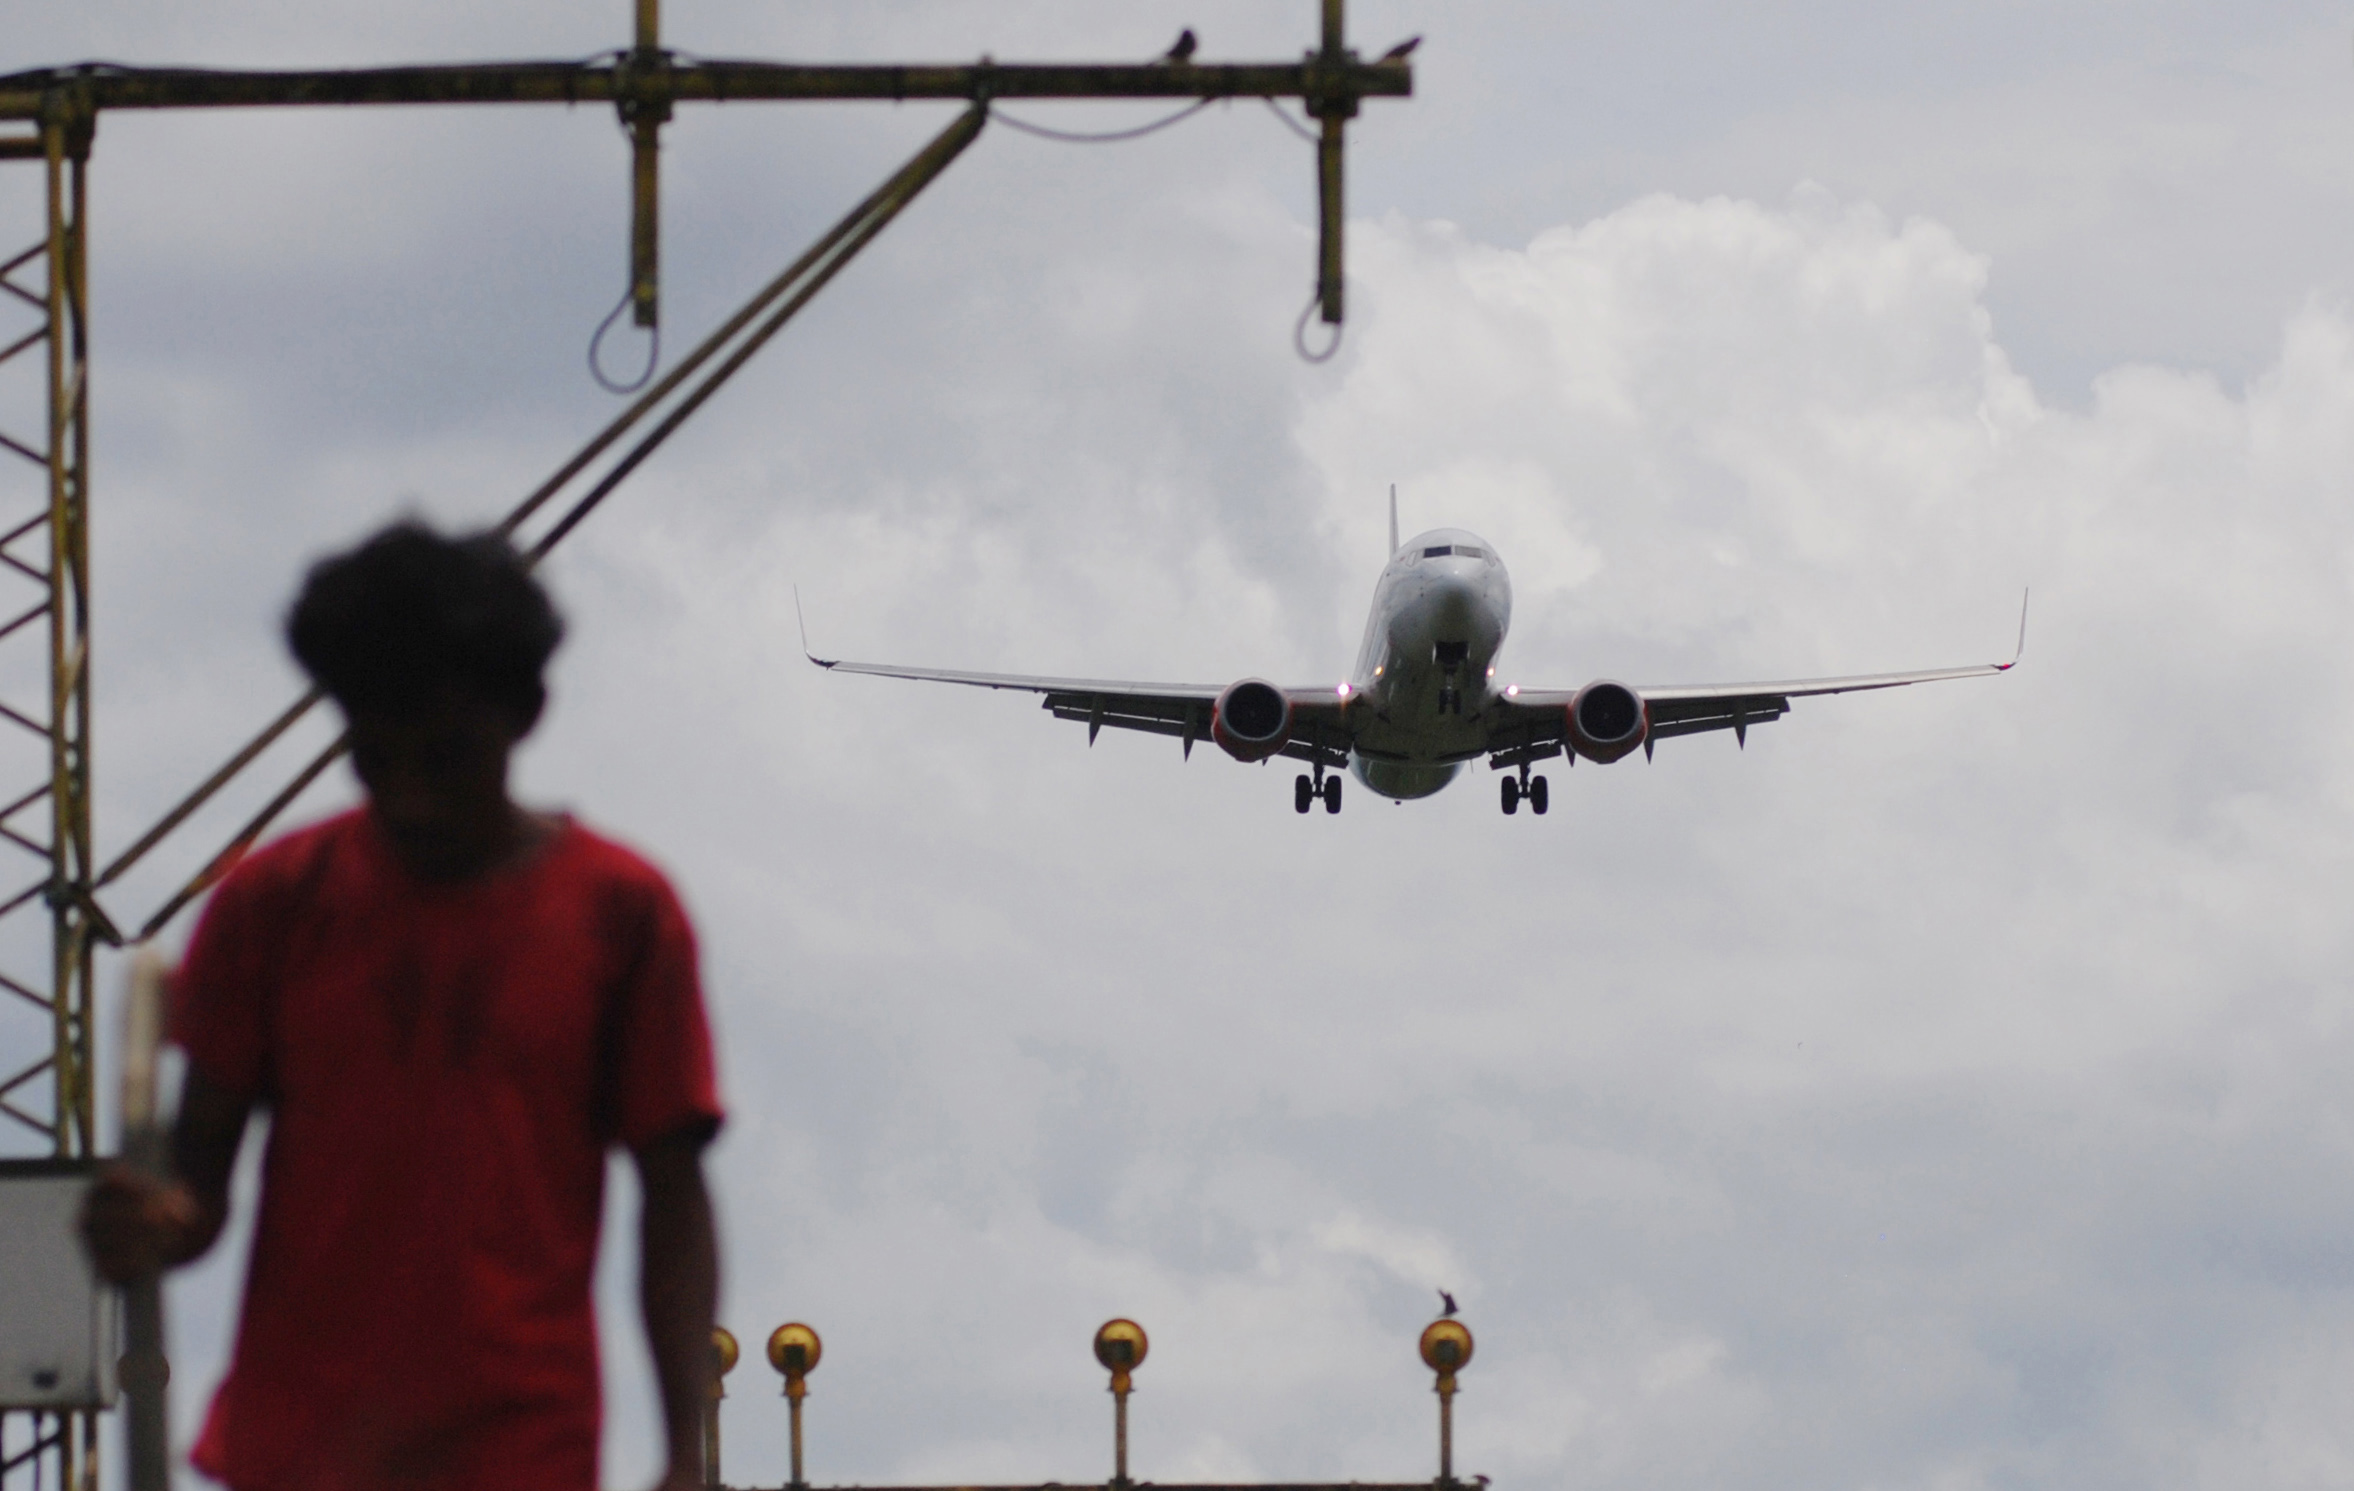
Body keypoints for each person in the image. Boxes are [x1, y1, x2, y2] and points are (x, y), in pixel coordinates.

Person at [82, 521, 722, 1491]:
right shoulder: (272, 904)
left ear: (526, 715)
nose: (413, 800)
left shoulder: (622, 917)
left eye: (447, 757)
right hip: (295, 1453)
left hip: (518, 1453)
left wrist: (687, 1457)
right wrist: (148, 1228)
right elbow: (197, 1190)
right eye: (377, 760)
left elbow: (672, 1202)